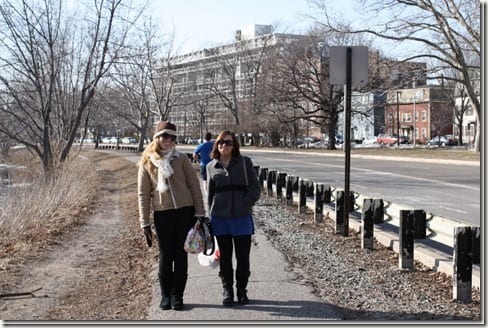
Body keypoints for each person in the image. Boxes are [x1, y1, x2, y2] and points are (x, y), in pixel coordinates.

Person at [137, 121, 205, 311]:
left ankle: (178, 296)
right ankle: (166, 295)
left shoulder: (181, 159)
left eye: (172, 137)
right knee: (166, 256)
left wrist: (200, 212)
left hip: (185, 212)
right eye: (165, 136)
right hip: (163, 214)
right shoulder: (147, 162)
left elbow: (194, 186)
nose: (168, 140)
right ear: (157, 138)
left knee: (181, 255)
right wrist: (145, 223)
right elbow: (143, 194)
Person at [206, 131, 261, 307]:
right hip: (220, 218)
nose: (224, 145)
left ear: (234, 145)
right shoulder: (210, 166)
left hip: (241, 217)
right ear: (217, 145)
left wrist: (247, 201)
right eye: (221, 142)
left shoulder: (245, 163)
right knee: (225, 258)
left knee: (243, 258)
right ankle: (227, 291)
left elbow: (255, 187)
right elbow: (210, 194)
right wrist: (209, 216)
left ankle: (242, 291)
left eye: (228, 142)